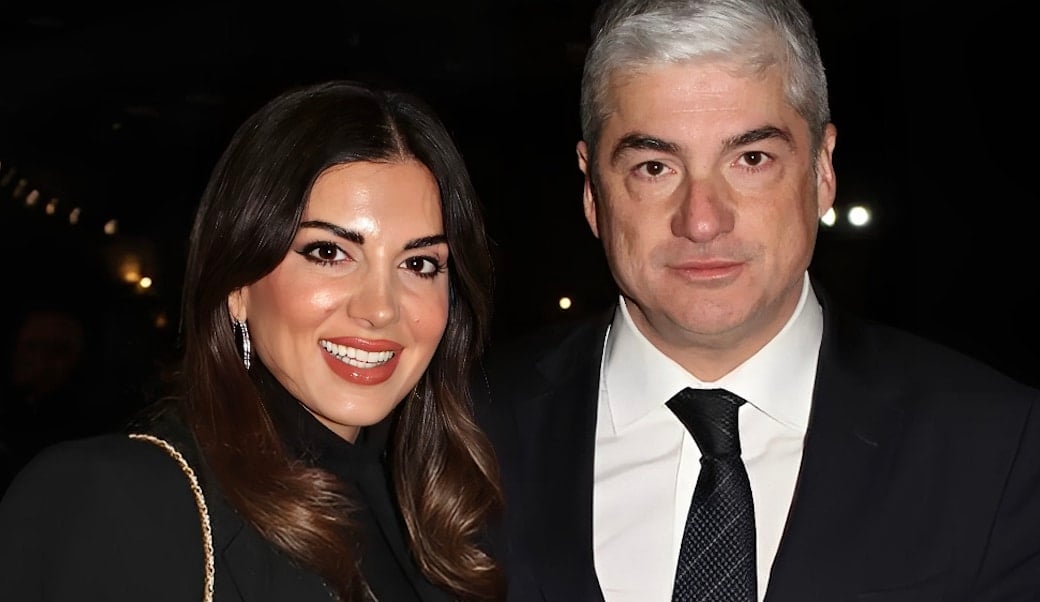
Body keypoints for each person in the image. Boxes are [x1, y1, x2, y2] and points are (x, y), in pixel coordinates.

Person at [474, 1, 1040, 601]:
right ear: (593, 190)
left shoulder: (1001, 447)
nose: (702, 221)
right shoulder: (459, 431)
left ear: (822, 170)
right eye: (654, 167)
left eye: (751, 160)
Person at [0, 79, 504, 601]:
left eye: (418, 264)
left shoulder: (438, 513)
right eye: (328, 253)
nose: (380, 308)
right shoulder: (115, 498)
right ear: (237, 285)